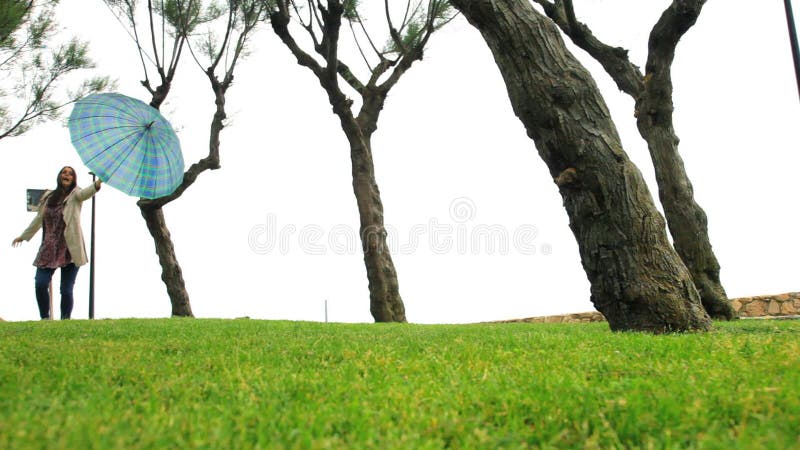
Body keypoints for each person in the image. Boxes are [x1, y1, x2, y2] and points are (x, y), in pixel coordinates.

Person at [12, 166, 101, 320]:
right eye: (64, 173)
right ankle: (45, 318)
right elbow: (38, 219)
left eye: (70, 174)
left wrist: (99, 182)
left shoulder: (75, 194)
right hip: (49, 248)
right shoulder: (49, 196)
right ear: (59, 176)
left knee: (66, 290)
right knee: (40, 284)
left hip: (69, 248)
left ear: (74, 179)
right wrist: (23, 236)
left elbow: (86, 193)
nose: (66, 175)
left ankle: (65, 320)